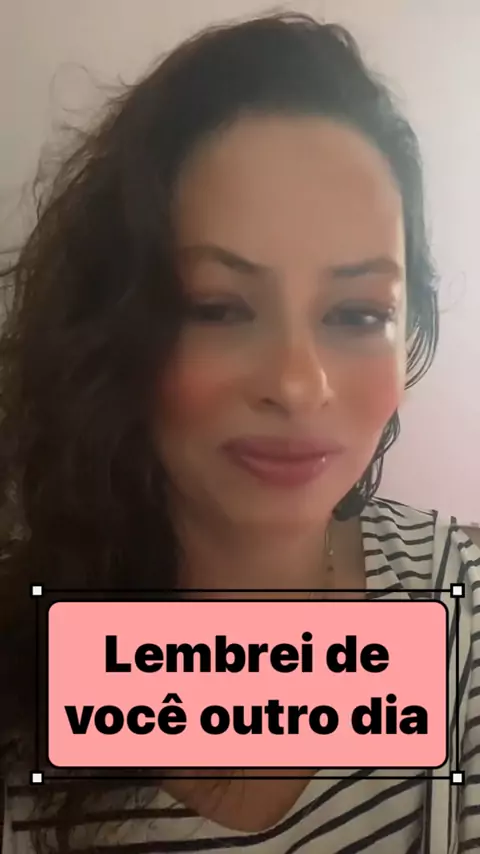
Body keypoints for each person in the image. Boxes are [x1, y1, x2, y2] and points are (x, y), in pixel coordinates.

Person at [1, 11, 479, 854]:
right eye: (218, 308)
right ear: (111, 328)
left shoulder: (461, 608)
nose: (299, 384)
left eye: (357, 313)